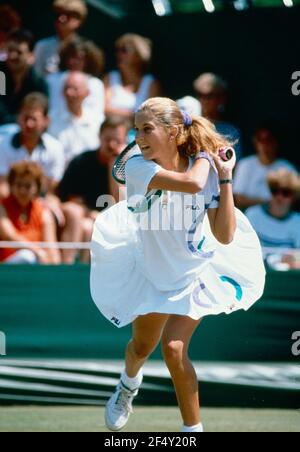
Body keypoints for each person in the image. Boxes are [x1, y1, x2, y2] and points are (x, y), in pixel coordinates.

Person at [90, 97, 265, 432]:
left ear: (172, 132)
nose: (138, 136)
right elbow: (193, 183)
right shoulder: (140, 168)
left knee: (173, 348)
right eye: (137, 128)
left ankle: (192, 431)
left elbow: (225, 235)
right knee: (142, 346)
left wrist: (225, 177)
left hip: (193, 272)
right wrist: (206, 156)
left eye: (147, 128)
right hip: (150, 270)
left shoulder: (209, 172)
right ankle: (128, 384)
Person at [58, 116, 128, 263]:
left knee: (91, 228)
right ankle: (68, 269)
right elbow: (72, 201)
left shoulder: (130, 166)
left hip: (111, 221)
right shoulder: (82, 162)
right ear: (99, 137)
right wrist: (94, 215)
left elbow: (120, 202)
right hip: (83, 216)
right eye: (107, 139)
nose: (112, 144)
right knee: (87, 226)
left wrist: (113, 166)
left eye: (117, 140)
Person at [0, 93, 65, 200]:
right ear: (18, 118)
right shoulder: (3, 144)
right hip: (10, 200)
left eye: (34, 119)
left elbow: (51, 188)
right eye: (25, 118)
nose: (29, 124)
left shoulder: (55, 148)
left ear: (46, 121)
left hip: (42, 201)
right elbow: (2, 184)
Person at [0, 161, 60, 265]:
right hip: (6, 269)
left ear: (37, 188)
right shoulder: (2, 208)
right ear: (11, 186)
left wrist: (54, 263)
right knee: (27, 256)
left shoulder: (44, 212)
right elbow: (10, 236)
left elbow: (51, 247)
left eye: (28, 186)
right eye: (18, 185)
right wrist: (38, 252)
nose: (22, 190)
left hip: (36, 265)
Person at [234, 122, 297, 210]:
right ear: (255, 141)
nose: (265, 144)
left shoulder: (288, 168)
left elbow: (293, 199)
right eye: (260, 139)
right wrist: (268, 203)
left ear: (276, 142)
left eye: (269, 140)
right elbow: (238, 199)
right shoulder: (245, 164)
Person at [246, 169, 300, 270]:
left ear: (294, 196)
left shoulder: (298, 222)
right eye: (275, 191)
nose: (279, 197)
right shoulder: (253, 214)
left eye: (285, 193)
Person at [49, 71, 102, 167]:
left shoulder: (97, 120)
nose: (70, 93)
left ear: (87, 93)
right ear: (62, 92)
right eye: (67, 88)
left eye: (75, 89)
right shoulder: (51, 120)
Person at [104, 34, 161, 121]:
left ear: (138, 55)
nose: (118, 54)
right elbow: (105, 109)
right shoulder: (110, 78)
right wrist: (136, 116)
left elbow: (152, 115)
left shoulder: (151, 84)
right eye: (117, 50)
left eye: (124, 50)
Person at [47, 37, 105, 119]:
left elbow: (97, 114)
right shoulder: (53, 80)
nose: (74, 62)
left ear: (88, 60)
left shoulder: (95, 84)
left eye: (80, 58)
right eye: (71, 57)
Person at [0, 29, 49, 125]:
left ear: (31, 55)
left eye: (19, 52)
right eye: (10, 51)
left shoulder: (37, 82)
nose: (12, 56)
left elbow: (39, 112)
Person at [193, 73, 242, 160]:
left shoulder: (230, 130)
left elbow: (234, 163)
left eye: (209, 96)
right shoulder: (191, 125)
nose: (204, 100)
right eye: (201, 95)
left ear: (221, 98)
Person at [34, 0, 88, 76]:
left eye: (67, 16)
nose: (61, 19)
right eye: (58, 15)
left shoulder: (84, 51)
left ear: (79, 21)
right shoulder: (43, 45)